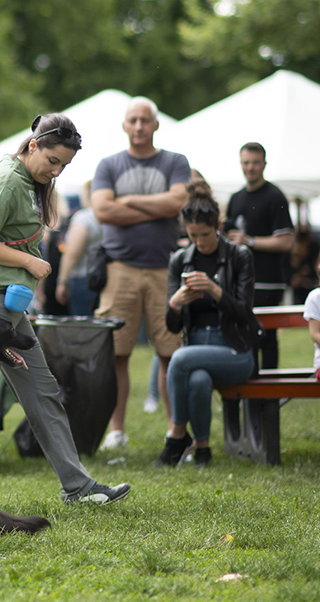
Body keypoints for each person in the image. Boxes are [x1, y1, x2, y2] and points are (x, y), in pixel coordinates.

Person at [0, 113, 129, 504]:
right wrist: (29, 262)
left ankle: (78, 488)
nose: (56, 171)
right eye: (52, 162)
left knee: (42, 391)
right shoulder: (5, 181)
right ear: (33, 145)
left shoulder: (28, 180)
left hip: (6, 302)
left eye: (64, 166)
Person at [91, 97, 191, 450]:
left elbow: (178, 202)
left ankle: (174, 431)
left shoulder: (175, 162)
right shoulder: (109, 164)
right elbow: (102, 210)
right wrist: (155, 206)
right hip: (119, 271)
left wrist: (129, 201)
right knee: (117, 354)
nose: (138, 126)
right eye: (132, 120)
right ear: (124, 125)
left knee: (170, 353)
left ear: (156, 124)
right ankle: (116, 431)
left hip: (166, 271)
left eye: (144, 120)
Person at [156, 178, 257, 467]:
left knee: (179, 358)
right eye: (192, 236)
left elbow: (244, 314)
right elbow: (172, 327)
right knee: (198, 380)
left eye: (204, 235)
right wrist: (176, 303)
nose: (199, 242)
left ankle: (177, 435)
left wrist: (215, 290)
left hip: (235, 351)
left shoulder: (239, 256)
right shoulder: (180, 260)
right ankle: (202, 450)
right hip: (198, 348)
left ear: (217, 226)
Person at [225, 142, 294, 371]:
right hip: (242, 283)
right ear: (240, 163)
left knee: (267, 338)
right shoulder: (235, 198)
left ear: (264, 164)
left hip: (269, 282)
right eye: (246, 162)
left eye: (255, 162)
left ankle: (269, 399)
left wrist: (250, 241)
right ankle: (251, 393)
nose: (250, 167)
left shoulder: (275, 197)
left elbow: (287, 240)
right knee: (246, 337)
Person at [55, 182, 102, 316]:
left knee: (83, 328)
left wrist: (62, 281)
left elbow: (72, 253)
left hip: (83, 279)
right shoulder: (111, 216)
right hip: (106, 278)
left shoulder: (84, 217)